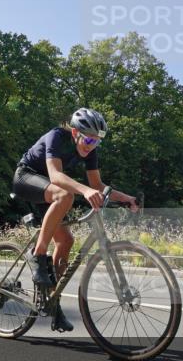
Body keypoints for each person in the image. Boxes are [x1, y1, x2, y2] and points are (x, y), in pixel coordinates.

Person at [11, 108, 139, 333]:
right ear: (75, 133)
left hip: (48, 191)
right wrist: (85, 191)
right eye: (88, 139)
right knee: (65, 194)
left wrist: (126, 198)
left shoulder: (90, 151)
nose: (91, 145)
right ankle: (38, 254)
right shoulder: (56, 137)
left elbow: (98, 185)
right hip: (27, 178)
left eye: (97, 142)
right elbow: (56, 177)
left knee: (66, 241)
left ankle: (53, 302)